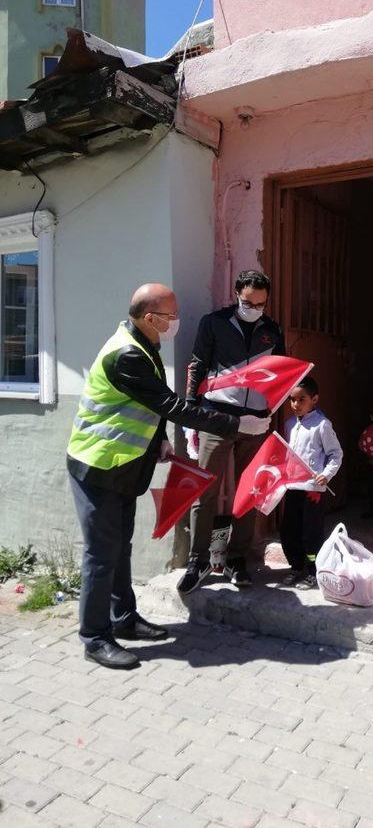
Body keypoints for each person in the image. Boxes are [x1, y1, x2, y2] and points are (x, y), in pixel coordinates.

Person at [67, 283, 270, 670]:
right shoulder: (128, 353)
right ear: (149, 317)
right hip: (97, 466)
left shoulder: (144, 342)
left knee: (119, 547)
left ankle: (123, 619)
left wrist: (158, 439)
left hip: (123, 466)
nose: (176, 321)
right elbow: (171, 404)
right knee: (100, 555)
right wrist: (236, 422)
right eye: (171, 315)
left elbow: (148, 404)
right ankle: (94, 637)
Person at [178, 270, 285, 593]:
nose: (255, 308)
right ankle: (198, 561)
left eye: (261, 303)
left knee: (249, 491)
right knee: (204, 491)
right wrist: (190, 418)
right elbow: (197, 364)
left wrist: (270, 411)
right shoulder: (214, 323)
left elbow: (282, 372)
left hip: (255, 421)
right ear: (237, 292)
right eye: (248, 302)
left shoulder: (272, 330)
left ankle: (237, 558)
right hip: (215, 416)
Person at [280, 377, 343, 589]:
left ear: (314, 399)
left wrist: (327, 474)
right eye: (292, 399)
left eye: (301, 399)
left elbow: (335, 454)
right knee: (289, 529)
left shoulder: (322, 425)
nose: (295, 404)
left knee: (311, 532)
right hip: (292, 487)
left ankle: (313, 571)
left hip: (313, 490)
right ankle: (296, 567)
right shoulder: (290, 424)